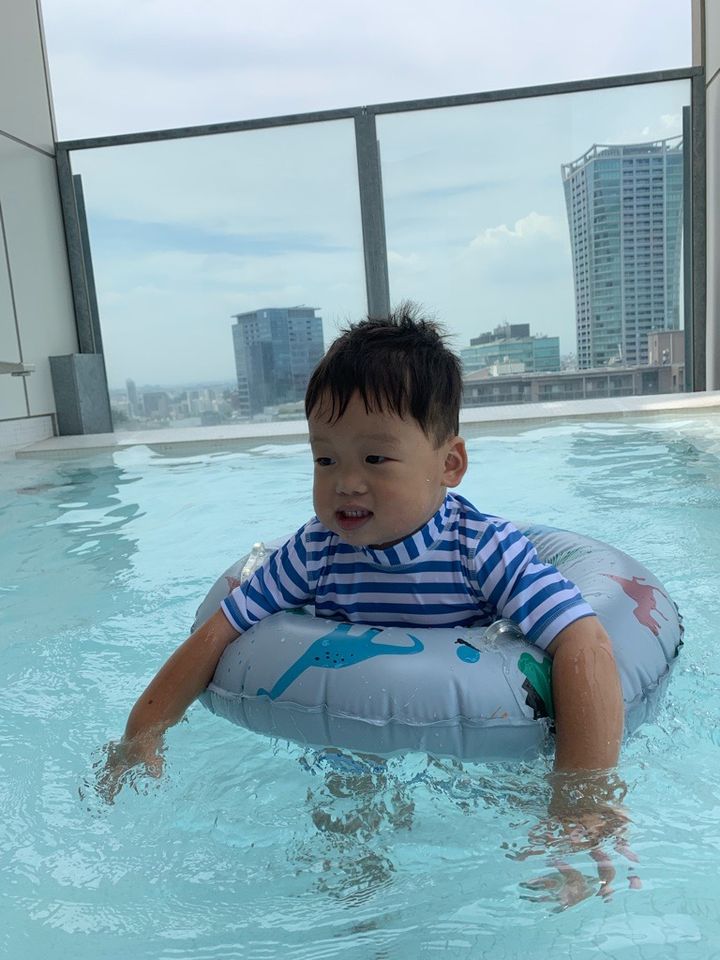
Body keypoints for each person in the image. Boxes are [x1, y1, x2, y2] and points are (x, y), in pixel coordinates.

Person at [105, 303, 624, 800]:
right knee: (343, 826)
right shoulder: (315, 552)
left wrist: (583, 794)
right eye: (325, 459)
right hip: (354, 741)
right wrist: (140, 734)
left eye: (375, 458)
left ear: (450, 464)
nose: (346, 483)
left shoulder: (482, 551)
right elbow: (221, 628)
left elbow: (583, 641)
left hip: (472, 746)